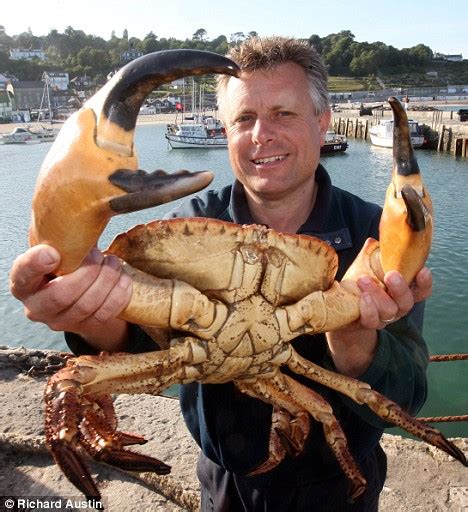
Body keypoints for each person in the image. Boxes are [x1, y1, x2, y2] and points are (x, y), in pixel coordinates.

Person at [10, 37, 432, 511]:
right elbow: (140, 339)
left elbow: (410, 394)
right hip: (225, 487)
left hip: (346, 489)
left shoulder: (377, 238)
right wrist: (85, 311)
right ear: (225, 131)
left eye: (284, 114)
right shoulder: (176, 231)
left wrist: (356, 340)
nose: (260, 135)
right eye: (243, 119)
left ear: (323, 123)